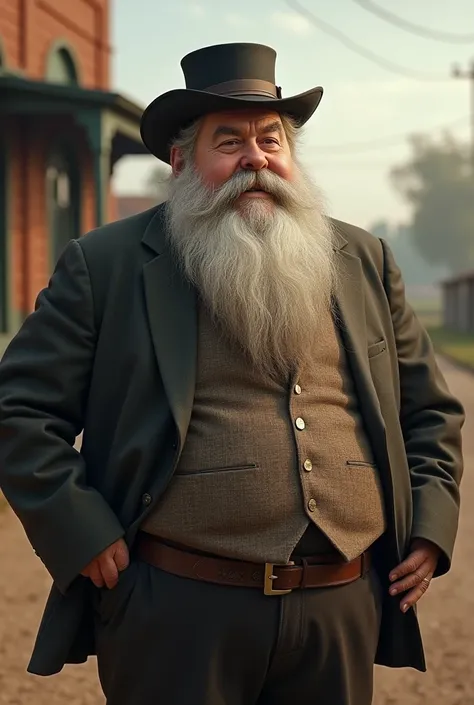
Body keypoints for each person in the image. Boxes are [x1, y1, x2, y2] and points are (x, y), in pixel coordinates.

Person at [0, 42, 464, 705]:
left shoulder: (363, 258)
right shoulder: (104, 265)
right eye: (230, 141)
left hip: (341, 602)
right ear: (182, 160)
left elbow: (430, 411)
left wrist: (429, 524)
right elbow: (18, 409)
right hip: (178, 607)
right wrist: (82, 529)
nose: (256, 158)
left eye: (271, 138)